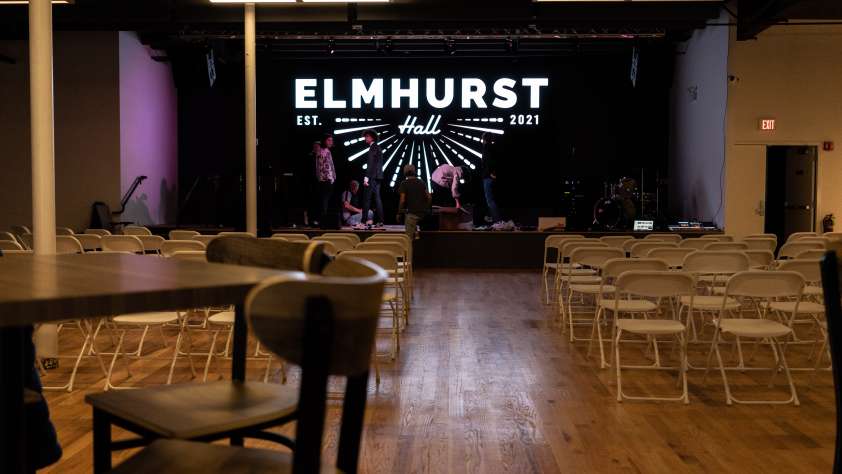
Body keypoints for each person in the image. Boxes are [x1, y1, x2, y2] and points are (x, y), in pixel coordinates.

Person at [397, 164, 431, 240]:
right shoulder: (421, 182)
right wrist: (426, 208)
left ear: (405, 172)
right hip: (423, 215)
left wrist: (399, 213)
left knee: (409, 240)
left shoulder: (404, 183)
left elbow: (402, 200)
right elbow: (429, 197)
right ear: (414, 172)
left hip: (411, 215)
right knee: (422, 240)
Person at [359, 129, 384, 228]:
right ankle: (380, 221)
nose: (365, 138)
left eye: (367, 136)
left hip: (372, 176)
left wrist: (366, 177)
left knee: (367, 199)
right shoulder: (378, 147)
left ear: (372, 137)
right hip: (378, 176)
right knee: (377, 198)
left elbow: (371, 164)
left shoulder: (373, 147)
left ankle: (363, 221)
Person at [480, 133, 502, 223]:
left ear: (485, 139)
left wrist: (490, 173)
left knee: (490, 200)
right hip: (489, 176)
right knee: (491, 199)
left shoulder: (487, 148)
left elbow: (489, 162)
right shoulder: (492, 147)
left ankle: (497, 221)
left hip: (488, 177)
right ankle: (492, 217)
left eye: (482, 139)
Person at [315, 135, 336, 225]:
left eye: (331, 140)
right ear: (324, 141)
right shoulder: (323, 151)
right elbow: (324, 167)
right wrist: (330, 178)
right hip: (326, 180)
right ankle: (323, 221)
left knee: (325, 200)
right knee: (324, 200)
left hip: (327, 179)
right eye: (329, 140)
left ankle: (323, 220)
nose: (331, 142)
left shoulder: (326, 151)